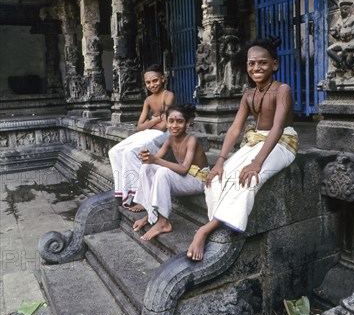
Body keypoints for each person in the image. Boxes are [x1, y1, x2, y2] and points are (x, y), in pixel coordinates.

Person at [187, 37, 298, 261]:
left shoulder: (282, 90)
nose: (256, 68)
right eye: (251, 63)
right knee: (216, 177)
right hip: (256, 141)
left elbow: (277, 129)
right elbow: (235, 129)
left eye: (263, 63)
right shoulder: (248, 94)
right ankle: (216, 221)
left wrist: (257, 162)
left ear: (274, 65)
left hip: (282, 143)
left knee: (248, 179)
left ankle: (205, 230)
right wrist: (219, 161)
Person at [131, 104, 209, 241]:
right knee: (146, 168)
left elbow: (184, 169)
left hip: (198, 180)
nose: (174, 125)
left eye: (179, 121)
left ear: (188, 123)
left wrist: (155, 160)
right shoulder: (170, 139)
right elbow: (155, 160)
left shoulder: (192, 140)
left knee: (163, 173)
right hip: (184, 178)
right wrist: (146, 157)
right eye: (171, 121)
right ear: (166, 122)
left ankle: (163, 221)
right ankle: (151, 215)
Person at [108, 64, 175, 206]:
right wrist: (156, 119)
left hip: (164, 134)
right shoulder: (148, 100)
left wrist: (150, 122)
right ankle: (124, 192)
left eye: (155, 80)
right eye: (148, 82)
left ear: (162, 79)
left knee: (130, 151)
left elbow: (164, 127)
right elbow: (139, 126)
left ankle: (143, 196)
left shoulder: (168, 96)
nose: (152, 85)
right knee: (114, 151)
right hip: (147, 133)